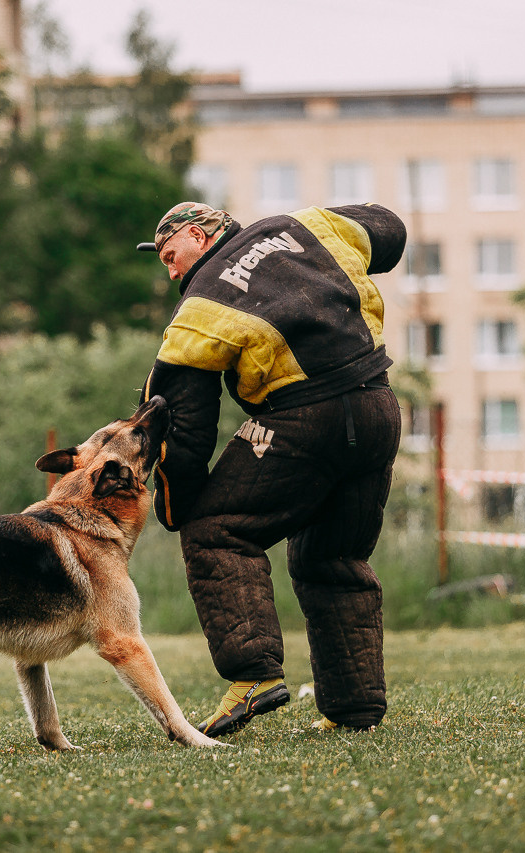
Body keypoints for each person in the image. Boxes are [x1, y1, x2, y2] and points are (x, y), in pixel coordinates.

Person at [136, 200, 406, 737]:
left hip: (303, 416)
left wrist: (175, 507)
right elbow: (389, 231)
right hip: (379, 408)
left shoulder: (202, 303)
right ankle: (353, 710)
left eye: (170, 255)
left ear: (196, 234)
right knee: (333, 557)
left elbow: (182, 423)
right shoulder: (308, 225)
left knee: (217, 531)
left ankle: (253, 675)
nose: (170, 271)